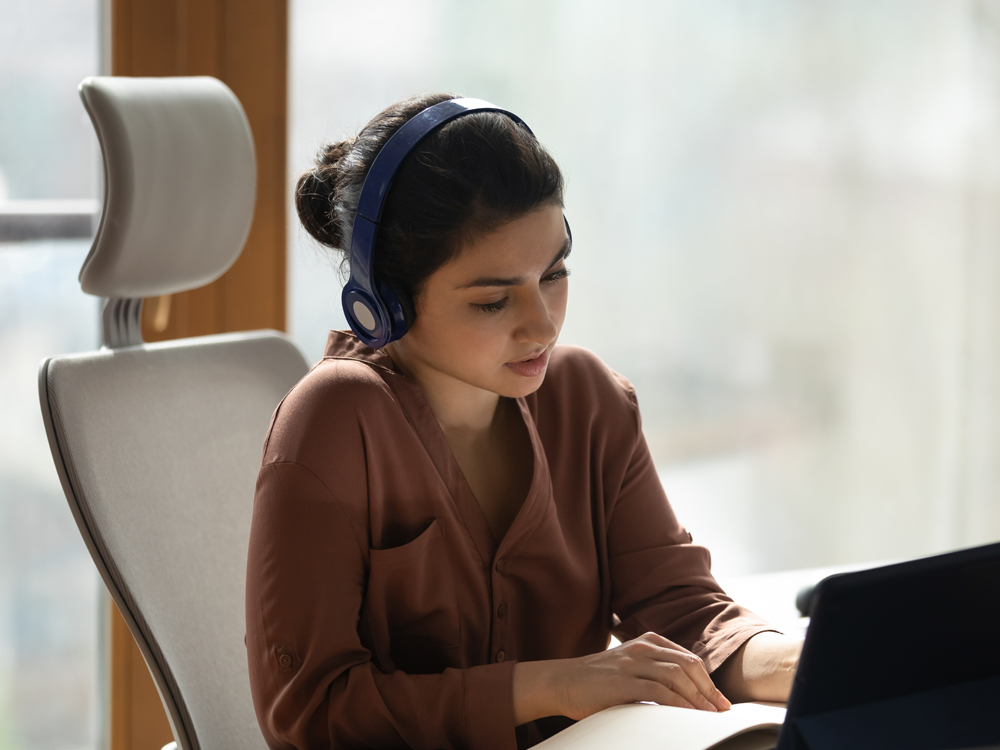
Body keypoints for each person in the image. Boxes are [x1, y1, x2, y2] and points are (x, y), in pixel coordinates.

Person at [244, 93, 803, 750]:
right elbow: (309, 711)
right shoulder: (335, 422)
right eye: (492, 300)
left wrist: (812, 664)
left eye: (554, 273)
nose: (542, 325)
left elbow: (685, 611)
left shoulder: (588, 400)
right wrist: (552, 686)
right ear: (383, 302)